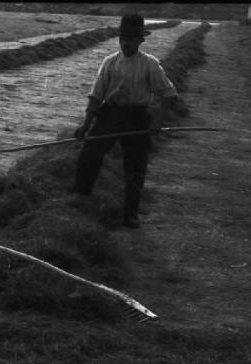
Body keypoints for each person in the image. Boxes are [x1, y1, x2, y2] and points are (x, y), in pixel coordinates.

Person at [72, 14, 178, 228]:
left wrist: (157, 121)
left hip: (138, 117)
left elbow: (168, 94)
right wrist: (86, 124)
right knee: (89, 155)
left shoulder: (150, 64)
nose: (125, 43)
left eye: (130, 39)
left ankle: (131, 214)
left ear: (140, 41)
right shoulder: (110, 62)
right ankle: (79, 202)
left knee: (136, 166)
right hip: (110, 114)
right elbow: (96, 95)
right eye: (122, 38)